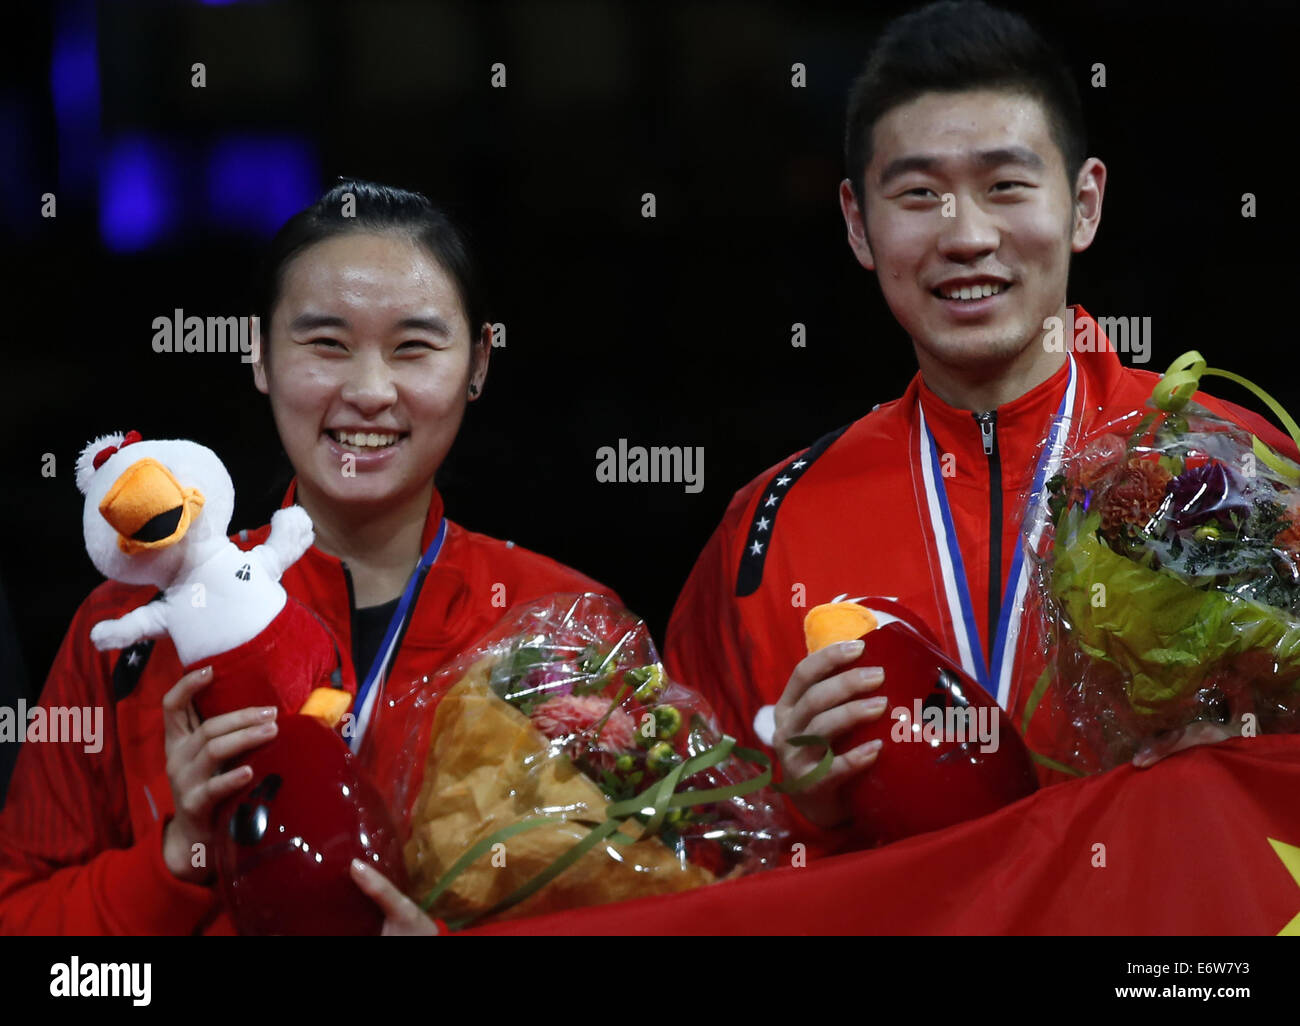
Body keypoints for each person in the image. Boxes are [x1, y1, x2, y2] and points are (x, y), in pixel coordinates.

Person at [664, 1, 1296, 851]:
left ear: (1083, 203)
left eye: (1005, 185)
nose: (966, 236)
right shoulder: (768, 537)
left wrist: (1254, 762)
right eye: (919, 194)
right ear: (858, 223)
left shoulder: (1236, 467)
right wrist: (796, 811)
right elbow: (680, 864)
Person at [0, 180, 616, 935]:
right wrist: (180, 855)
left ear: (480, 362)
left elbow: (667, 898)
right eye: (326, 344)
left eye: (414, 347)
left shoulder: (569, 630)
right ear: (259, 357)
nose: (369, 391)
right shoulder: (126, 630)